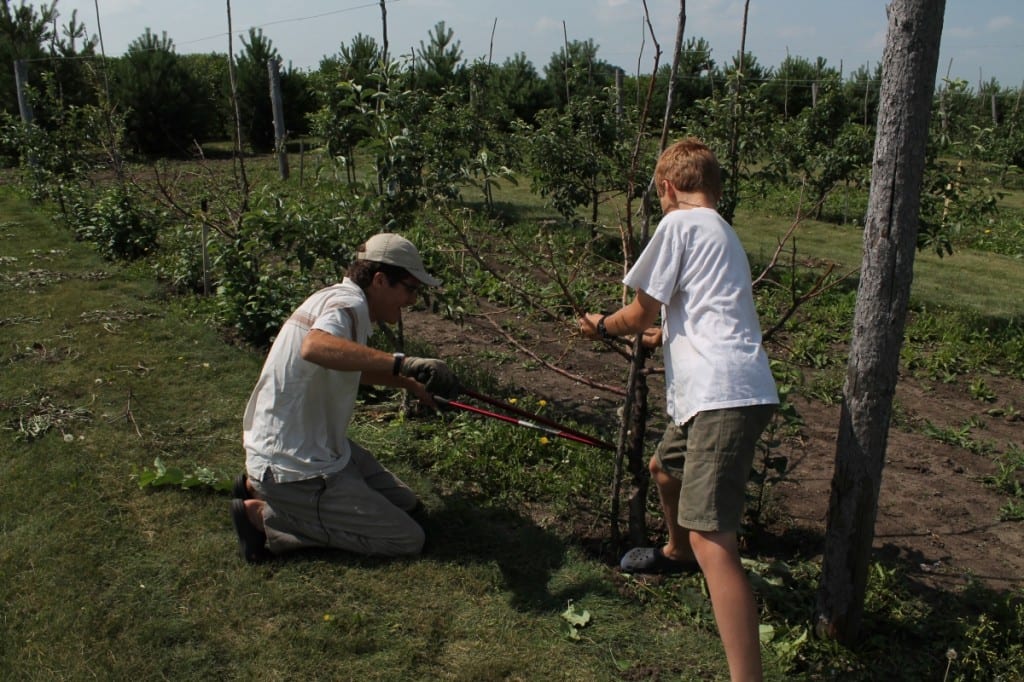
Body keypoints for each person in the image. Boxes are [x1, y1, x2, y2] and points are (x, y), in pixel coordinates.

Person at [580, 138, 778, 682]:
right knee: (664, 468)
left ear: (667, 188)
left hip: (721, 395)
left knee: (714, 540)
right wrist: (658, 337)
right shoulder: (722, 232)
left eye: (659, 196)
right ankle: (675, 552)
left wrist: (601, 325)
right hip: (722, 391)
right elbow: (701, 309)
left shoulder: (680, 224)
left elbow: (642, 306)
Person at [231, 233, 460, 564]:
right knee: (406, 538)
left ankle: (260, 487)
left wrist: (409, 383)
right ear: (380, 280)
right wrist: (403, 362)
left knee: (406, 503)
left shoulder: (340, 301)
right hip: (298, 466)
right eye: (410, 288)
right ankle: (265, 518)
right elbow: (316, 347)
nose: (412, 300)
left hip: (311, 446)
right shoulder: (348, 306)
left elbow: (346, 364)